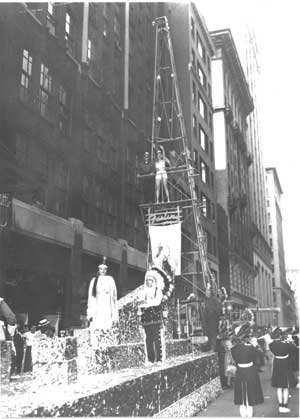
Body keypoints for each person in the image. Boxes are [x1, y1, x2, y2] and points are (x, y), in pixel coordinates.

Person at [138, 265, 174, 364]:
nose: (148, 282)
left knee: (157, 338)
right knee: (148, 339)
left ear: (154, 281)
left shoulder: (158, 291)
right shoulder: (143, 292)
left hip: (155, 317)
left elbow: (157, 302)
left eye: (150, 280)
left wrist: (146, 304)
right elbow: (139, 304)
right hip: (146, 319)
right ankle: (150, 359)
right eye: (147, 280)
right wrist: (140, 313)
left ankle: (159, 358)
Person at [231, 322, 264, 418]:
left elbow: (236, 361)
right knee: (250, 400)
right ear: (245, 337)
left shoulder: (233, 349)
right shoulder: (251, 348)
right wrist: (255, 345)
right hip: (250, 372)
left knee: (242, 400)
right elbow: (258, 360)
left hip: (240, 372)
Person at [87, 257, 118, 331]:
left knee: (107, 326)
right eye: (101, 269)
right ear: (98, 270)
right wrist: (90, 312)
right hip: (97, 305)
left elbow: (114, 296)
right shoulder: (94, 280)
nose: (103, 271)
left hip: (107, 305)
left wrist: (114, 313)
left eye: (104, 269)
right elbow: (91, 297)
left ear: (106, 270)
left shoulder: (110, 279)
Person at [269, 327, 297, 413]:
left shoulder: (272, 344)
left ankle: (280, 406)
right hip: (285, 363)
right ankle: (284, 406)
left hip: (277, 363)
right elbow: (294, 350)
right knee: (285, 387)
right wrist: (289, 341)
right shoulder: (287, 344)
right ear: (281, 335)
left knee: (278, 386)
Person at [204, 284, 223, 351]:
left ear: (210, 292)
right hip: (207, 319)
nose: (206, 293)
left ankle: (213, 348)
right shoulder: (206, 300)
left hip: (213, 319)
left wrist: (215, 316)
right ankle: (210, 347)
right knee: (209, 333)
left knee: (213, 334)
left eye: (207, 292)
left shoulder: (214, 300)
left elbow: (218, 309)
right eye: (205, 292)